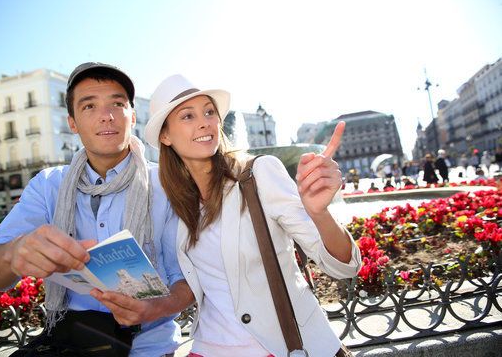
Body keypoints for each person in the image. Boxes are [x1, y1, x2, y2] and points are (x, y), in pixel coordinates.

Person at [0, 63, 194, 357]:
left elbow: (188, 276)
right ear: (72, 123)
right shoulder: (48, 186)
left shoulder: (168, 184)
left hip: (147, 347)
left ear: (133, 116)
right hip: (70, 343)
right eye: (89, 106)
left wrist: (158, 306)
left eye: (117, 103)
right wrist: (14, 251)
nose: (107, 116)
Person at [144, 74, 361, 357]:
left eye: (209, 112)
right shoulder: (175, 200)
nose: (204, 122)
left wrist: (319, 214)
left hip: (280, 347)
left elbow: (344, 267)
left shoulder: (258, 173)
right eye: (188, 116)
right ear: (165, 136)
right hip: (208, 348)